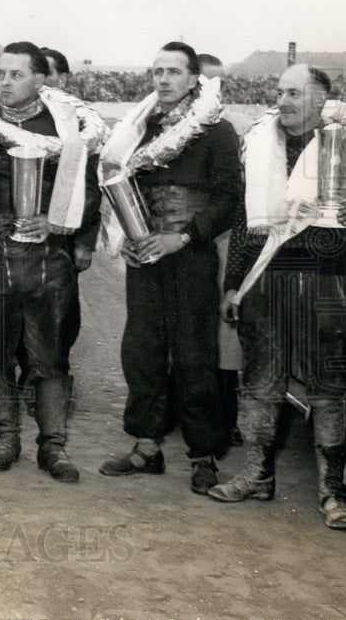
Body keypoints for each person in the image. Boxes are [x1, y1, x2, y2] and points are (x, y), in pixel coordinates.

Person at [208, 64, 346, 530]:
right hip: (266, 284)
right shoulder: (260, 142)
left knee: (328, 392)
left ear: (320, 101)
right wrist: (234, 284)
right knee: (261, 385)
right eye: (280, 91)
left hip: (324, 280)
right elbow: (249, 226)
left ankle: (332, 491)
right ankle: (256, 475)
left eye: (293, 93)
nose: (281, 100)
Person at [0, 42, 105, 480]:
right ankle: (6, 438)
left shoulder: (67, 128)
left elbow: (90, 192)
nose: (4, 81)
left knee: (50, 352)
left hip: (49, 257)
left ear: (41, 80)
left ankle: (53, 447)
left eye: (16, 74)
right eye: (0, 73)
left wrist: (57, 223)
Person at [98, 41, 241, 494]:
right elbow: (119, 185)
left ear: (194, 78)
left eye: (173, 72)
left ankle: (203, 455)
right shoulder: (139, 128)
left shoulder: (217, 131)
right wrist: (129, 237)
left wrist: (181, 237)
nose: (163, 79)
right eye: (157, 71)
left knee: (195, 355)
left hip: (190, 253)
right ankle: (146, 446)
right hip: (145, 255)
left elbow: (229, 201)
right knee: (142, 350)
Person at [196, 51, 243, 448]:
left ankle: (226, 419)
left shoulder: (233, 127)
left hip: (226, 238)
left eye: (220, 83)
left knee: (226, 338)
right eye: (207, 82)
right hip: (189, 242)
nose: (215, 90)